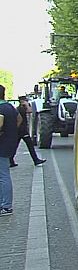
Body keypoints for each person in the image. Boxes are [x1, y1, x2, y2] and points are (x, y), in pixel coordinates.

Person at [0, 84, 21, 216]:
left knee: (3, 176)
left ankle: (6, 205)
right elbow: (19, 119)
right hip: (9, 144)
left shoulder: (1, 108)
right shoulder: (10, 107)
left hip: (1, 145)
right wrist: (12, 131)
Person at [9, 96, 46, 167]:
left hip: (20, 130)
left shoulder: (19, 108)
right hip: (22, 131)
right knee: (30, 146)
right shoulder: (21, 108)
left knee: (16, 146)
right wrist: (26, 104)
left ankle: (11, 160)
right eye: (25, 100)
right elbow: (30, 111)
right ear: (22, 101)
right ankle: (36, 160)